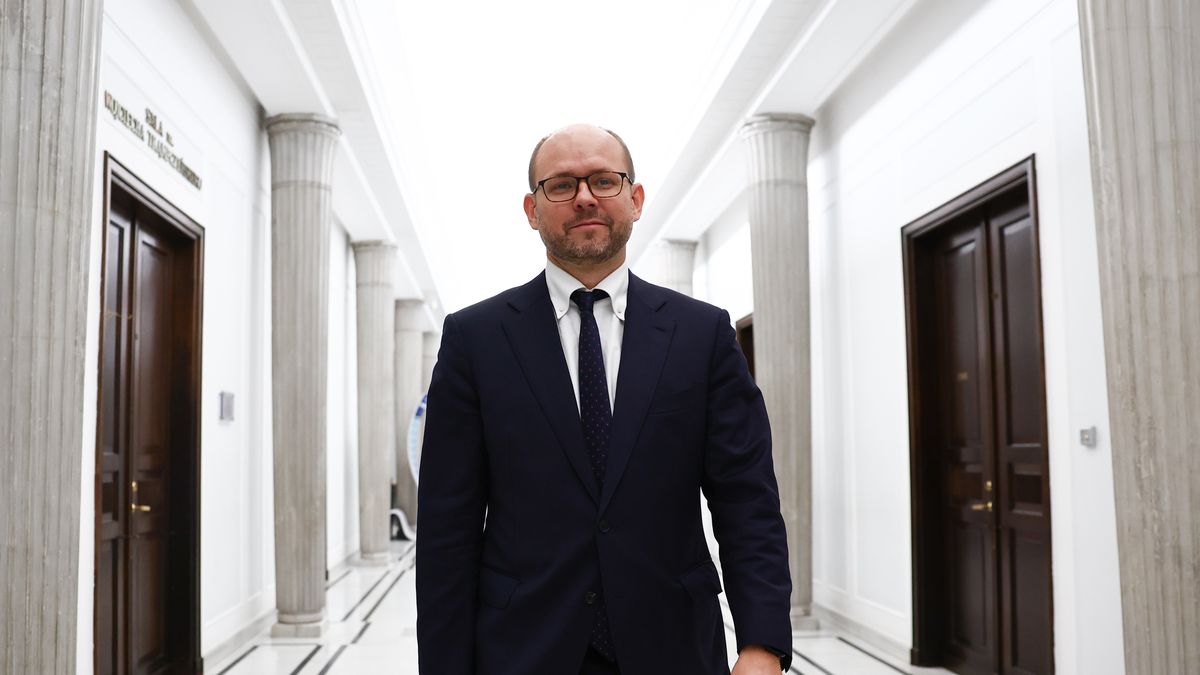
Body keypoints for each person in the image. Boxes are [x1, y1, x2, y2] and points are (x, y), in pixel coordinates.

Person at [416, 124, 792, 674]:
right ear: (532, 209)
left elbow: (747, 499)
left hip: (673, 647)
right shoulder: (475, 339)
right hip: (522, 649)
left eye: (603, 180)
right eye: (561, 185)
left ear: (635, 199)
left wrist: (762, 644)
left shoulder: (701, 334)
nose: (585, 197)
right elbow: (447, 527)